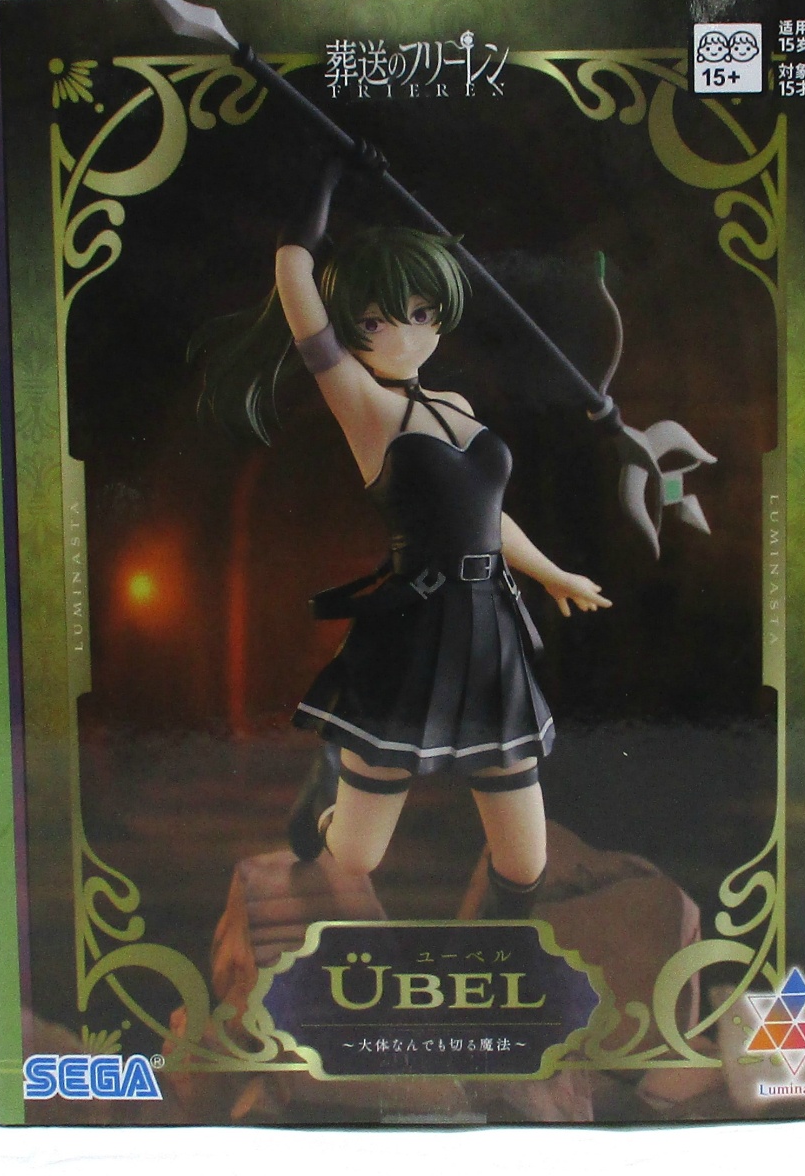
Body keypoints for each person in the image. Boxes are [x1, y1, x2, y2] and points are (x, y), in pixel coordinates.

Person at [192, 148, 610, 916]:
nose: (405, 336)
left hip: (489, 631)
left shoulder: (457, 408)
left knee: (527, 863)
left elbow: (487, 516)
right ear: (352, 331)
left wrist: (551, 572)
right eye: (377, 321)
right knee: (356, 854)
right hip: (414, 633)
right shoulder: (363, 404)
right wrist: (329, 171)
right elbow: (293, 271)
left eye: (421, 314)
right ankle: (327, 797)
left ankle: (494, 951)